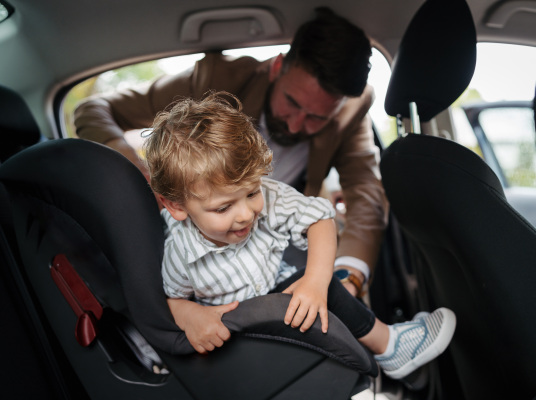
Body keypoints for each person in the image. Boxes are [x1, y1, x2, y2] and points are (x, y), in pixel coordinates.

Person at [74, 7, 387, 298]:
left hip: (278, 232)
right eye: (292, 103)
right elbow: (94, 108)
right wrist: (138, 172)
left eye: (317, 118)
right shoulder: (215, 80)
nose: (295, 126)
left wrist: (350, 276)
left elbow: (365, 195)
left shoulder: (351, 111)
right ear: (277, 67)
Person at [144, 92, 456, 380]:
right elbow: (170, 300)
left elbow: (319, 219)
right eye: (223, 207)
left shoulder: (270, 196)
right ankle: (386, 345)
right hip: (235, 335)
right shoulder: (180, 252)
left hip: (273, 300)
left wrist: (315, 282)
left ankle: (387, 347)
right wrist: (191, 316)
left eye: (252, 192)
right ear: (177, 207)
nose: (245, 214)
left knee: (318, 283)